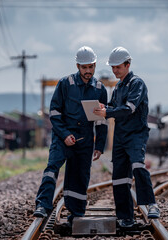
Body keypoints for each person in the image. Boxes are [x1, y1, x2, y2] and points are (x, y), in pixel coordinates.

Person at [33, 46, 108, 226]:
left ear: (95, 65)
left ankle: (76, 213)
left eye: (91, 67)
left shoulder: (100, 89)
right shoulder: (65, 84)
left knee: (80, 176)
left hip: (85, 140)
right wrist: (65, 134)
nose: (88, 71)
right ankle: (43, 205)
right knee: (52, 168)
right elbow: (54, 113)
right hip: (62, 137)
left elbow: (101, 121)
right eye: (84, 67)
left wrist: (99, 146)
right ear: (77, 66)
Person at [93, 46, 160, 228]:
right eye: (113, 67)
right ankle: (125, 218)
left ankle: (151, 204)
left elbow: (128, 109)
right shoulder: (119, 87)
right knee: (120, 177)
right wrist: (101, 107)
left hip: (136, 134)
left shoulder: (136, 84)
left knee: (138, 166)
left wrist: (107, 111)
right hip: (121, 137)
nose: (115, 70)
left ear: (128, 65)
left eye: (118, 67)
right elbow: (113, 107)